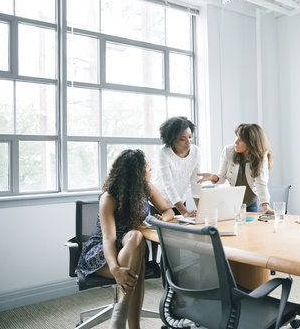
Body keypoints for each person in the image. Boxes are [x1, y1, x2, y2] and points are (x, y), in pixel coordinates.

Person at [77, 149, 175, 329]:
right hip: (102, 253)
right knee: (136, 266)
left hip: (130, 246)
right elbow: (108, 239)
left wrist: (164, 218)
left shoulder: (147, 189)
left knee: (137, 236)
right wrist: (115, 270)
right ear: (136, 173)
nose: (150, 169)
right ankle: (131, 325)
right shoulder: (109, 197)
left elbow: (168, 210)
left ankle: (119, 316)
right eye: (146, 166)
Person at [197, 123, 273, 213]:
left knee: (250, 226)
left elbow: (261, 183)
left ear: (251, 143)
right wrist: (212, 177)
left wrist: (266, 207)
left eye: (241, 140)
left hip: (250, 203)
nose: (236, 142)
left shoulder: (260, 156)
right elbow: (221, 178)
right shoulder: (228, 151)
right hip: (229, 201)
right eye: (236, 137)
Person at [151, 116, 200, 217]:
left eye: (190, 137)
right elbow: (168, 185)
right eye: (183, 139)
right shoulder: (163, 153)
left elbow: (196, 182)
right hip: (160, 203)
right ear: (172, 139)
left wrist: (201, 211)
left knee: (181, 231)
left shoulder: (195, 151)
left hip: (180, 202)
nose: (188, 142)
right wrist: (184, 212)